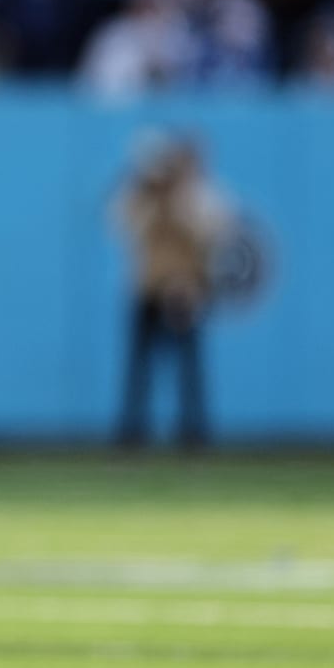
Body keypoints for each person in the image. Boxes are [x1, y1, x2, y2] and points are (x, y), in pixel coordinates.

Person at [112, 131, 236, 447]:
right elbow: (121, 224)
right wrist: (152, 194)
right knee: (139, 368)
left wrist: (181, 200)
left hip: (186, 290)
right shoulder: (141, 196)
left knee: (188, 368)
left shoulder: (202, 196)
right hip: (148, 289)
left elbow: (215, 235)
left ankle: (194, 433)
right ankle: (132, 432)